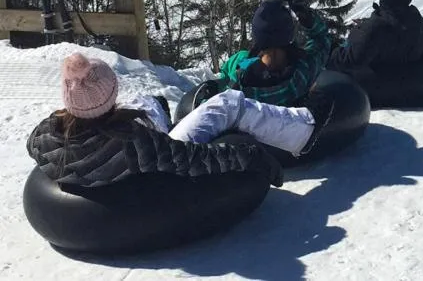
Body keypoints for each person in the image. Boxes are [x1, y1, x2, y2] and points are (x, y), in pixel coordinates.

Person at [26, 53, 332, 188]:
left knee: (147, 104)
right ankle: (304, 130)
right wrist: (249, 155)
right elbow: (193, 159)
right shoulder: (134, 143)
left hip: (119, 151)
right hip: (154, 173)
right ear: (108, 98)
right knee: (228, 103)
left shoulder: (43, 136)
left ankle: (158, 109)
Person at [217, 0, 331, 108]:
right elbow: (322, 41)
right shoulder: (302, 72)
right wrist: (309, 19)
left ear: (257, 37)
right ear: (289, 33)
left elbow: (215, 103)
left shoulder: (241, 72)